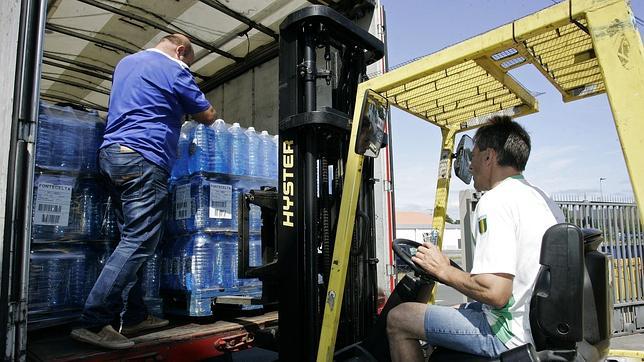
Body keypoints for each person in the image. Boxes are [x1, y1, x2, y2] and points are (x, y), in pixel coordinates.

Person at [71, 34, 216, 349]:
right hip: (143, 157)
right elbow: (207, 114)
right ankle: (94, 322)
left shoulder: (126, 63)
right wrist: (185, 109)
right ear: (180, 51)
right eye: (188, 60)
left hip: (111, 156)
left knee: (130, 240)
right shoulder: (175, 69)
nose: (187, 66)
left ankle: (135, 315)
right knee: (139, 242)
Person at [387, 116, 565, 361]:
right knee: (451, 309)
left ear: (489, 157)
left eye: (473, 157)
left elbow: (495, 292)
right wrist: (448, 270)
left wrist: (443, 271)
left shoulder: (495, 200)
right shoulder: (542, 199)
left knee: (399, 318)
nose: (470, 167)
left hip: (506, 335)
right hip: (534, 326)